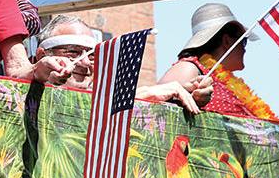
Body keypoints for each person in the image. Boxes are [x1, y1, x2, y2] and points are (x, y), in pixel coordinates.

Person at [35, 15, 205, 113]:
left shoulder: (102, 101)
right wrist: (143, 94)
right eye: (73, 52)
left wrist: (180, 100)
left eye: (92, 55)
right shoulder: (17, 97)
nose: (85, 62)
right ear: (42, 55)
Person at [158, 3, 279, 120]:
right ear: (227, 41)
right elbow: (156, 113)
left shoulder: (227, 83)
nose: (244, 49)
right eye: (243, 42)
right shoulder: (188, 67)